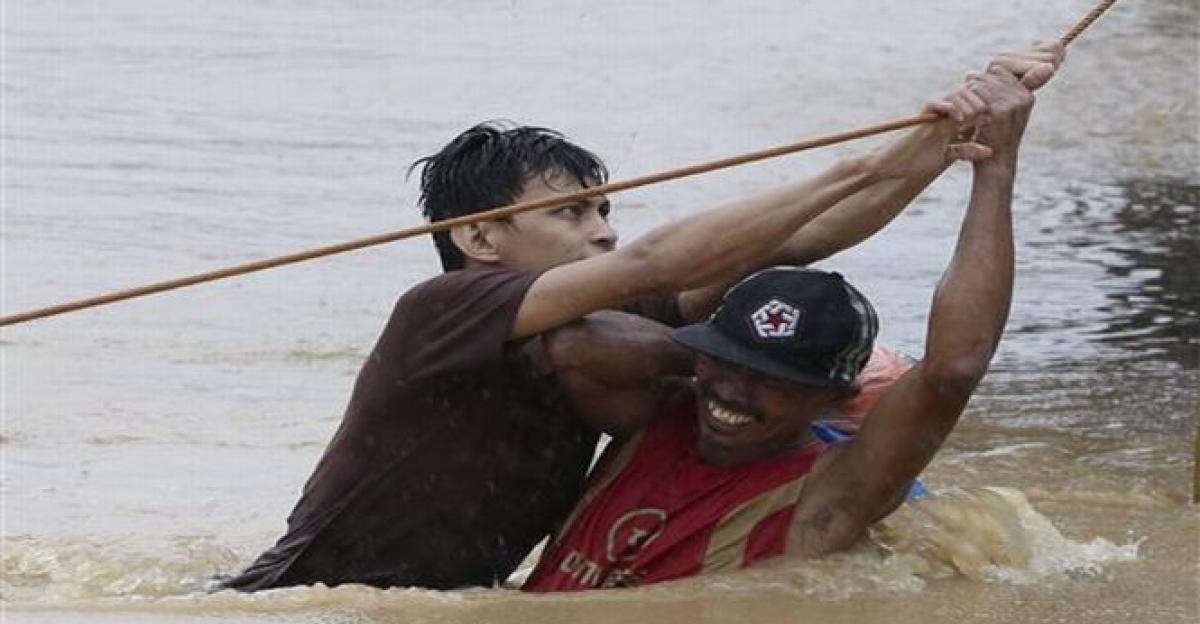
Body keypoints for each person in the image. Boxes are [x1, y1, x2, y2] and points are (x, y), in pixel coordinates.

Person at [223, 44, 1063, 591]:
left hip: (460, 603)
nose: (604, 231)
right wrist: (861, 163)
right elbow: (658, 261)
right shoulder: (439, 310)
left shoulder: (613, 319)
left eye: (605, 211)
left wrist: (956, 138)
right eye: (574, 215)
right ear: (478, 237)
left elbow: (807, 237)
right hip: (299, 598)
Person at [522, 64, 1038, 591]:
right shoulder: (665, 411)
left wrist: (995, 173)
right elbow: (572, 345)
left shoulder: (831, 494)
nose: (733, 392)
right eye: (728, 362)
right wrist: (697, 362)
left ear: (832, 398)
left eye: (773, 380)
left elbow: (954, 368)